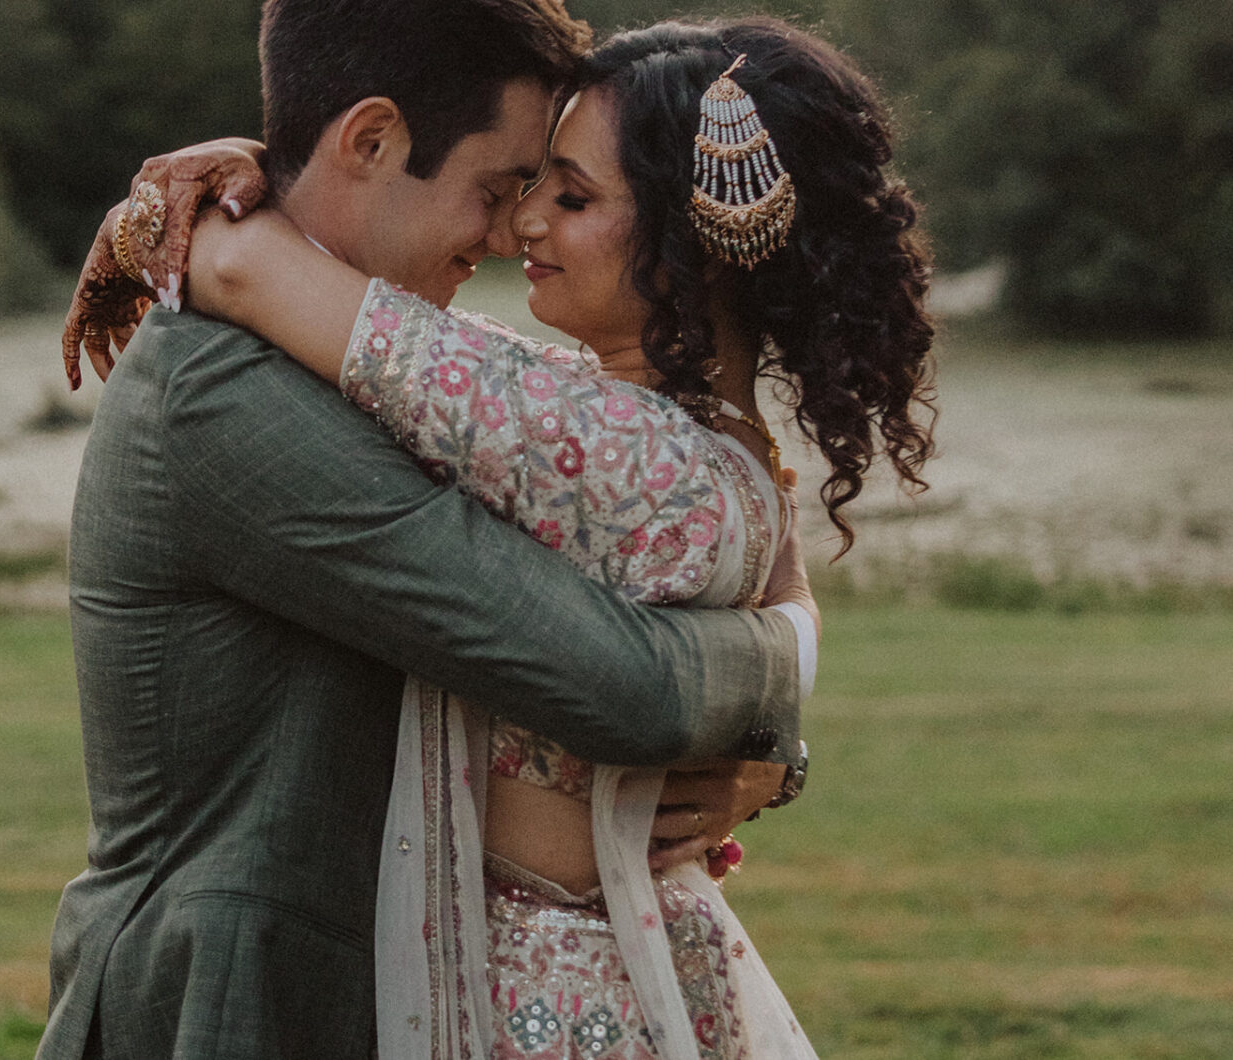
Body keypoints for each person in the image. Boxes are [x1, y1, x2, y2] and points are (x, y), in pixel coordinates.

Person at [68, 15, 935, 1059]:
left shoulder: (542, 413)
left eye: (560, 193)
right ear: (372, 141)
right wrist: (771, 684)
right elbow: (633, 690)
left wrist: (227, 236)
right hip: (243, 997)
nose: (507, 230)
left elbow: (703, 546)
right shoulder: (223, 389)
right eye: (503, 186)